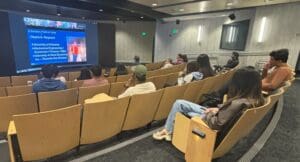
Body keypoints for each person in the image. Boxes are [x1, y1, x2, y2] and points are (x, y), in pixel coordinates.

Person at [153, 66, 264, 141]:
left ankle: (167, 130)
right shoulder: (255, 98)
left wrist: (209, 112)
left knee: (179, 105)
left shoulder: (237, 103)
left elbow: (216, 124)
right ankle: (168, 130)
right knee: (181, 104)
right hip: (217, 114)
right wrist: (216, 109)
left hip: (209, 122)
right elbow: (227, 114)